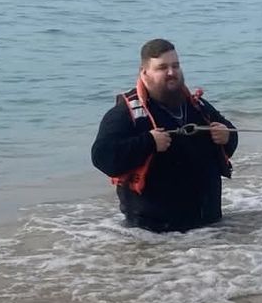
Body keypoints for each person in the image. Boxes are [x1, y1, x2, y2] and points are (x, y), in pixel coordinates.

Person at [91, 39, 239, 232]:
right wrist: (148, 142)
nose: (171, 72)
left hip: (209, 228)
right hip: (156, 236)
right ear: (144, 73)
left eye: (175, 66)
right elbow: (102, 156)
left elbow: (230, 135)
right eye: (162, 67)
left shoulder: (197, 105)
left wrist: (227, 136)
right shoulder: (125, 113)